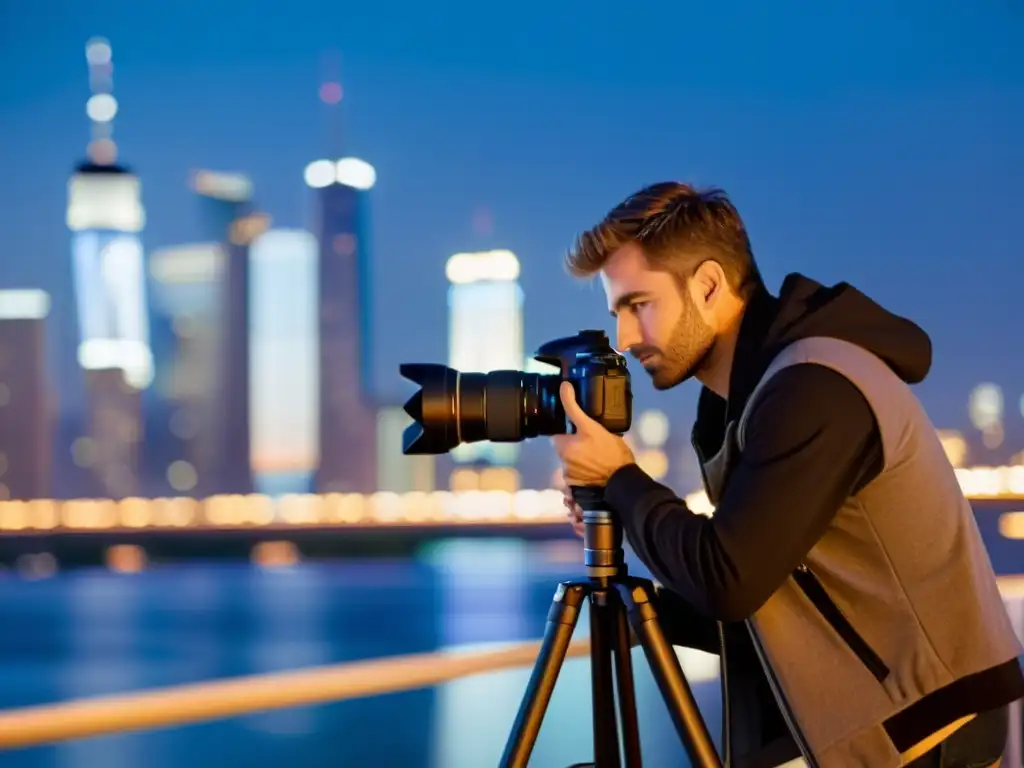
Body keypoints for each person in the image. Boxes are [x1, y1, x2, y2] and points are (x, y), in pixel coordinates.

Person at [550, 182, 1024, 768]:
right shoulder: (741, 401)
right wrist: (641, 601)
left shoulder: (813, 386)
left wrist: (621, 478)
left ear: (708, 285)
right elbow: (769, 595)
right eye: (617, 312)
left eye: (638, 305)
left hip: (925, 728)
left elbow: (731, 581)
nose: (624, 338)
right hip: (871, 714)